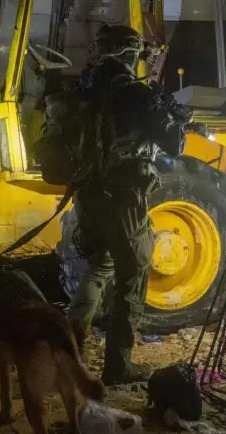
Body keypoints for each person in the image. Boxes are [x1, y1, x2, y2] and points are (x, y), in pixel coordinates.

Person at [66, 24, 188, 386]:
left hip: (87, 195)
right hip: (124, 198)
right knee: (132, 279)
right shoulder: (135, 93)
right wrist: (176, 119)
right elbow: (173, 145)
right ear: (130, 54)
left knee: (98, 266)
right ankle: (118, 367)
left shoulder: (82, 89)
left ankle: (71, 350)